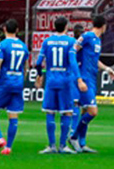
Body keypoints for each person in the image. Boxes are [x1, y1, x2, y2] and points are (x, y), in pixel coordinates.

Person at [70, 15, 114, 153]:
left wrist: (107, 69)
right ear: (104, 26)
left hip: (92, 77)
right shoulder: (87, 36)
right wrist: (79, 78)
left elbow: (94, 60)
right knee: (93, 111)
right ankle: (73, 137)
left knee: (85, 110)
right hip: (84, 78)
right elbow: (73, 51)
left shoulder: (97, 40)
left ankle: (83, 143)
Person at [0, 19, 28, 156]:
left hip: (4, 82)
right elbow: (25, 68)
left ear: (4, 30)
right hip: (18, 83)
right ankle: (8, 147)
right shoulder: (23, 46)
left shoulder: (2, 45)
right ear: (17, 30)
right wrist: (22, 81)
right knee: (13, 115)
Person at [35, 16, 78, 154]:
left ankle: (51, 145)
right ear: (66, 26)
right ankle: (63, 146)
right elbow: (72, 62)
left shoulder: (47, 41)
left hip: (51, 80)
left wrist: (39, 76)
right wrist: (78, 78)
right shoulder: (71, 41)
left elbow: (38, 62)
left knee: (50, 112)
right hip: (66, 81)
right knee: (67, 112)